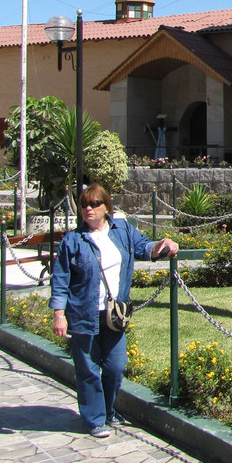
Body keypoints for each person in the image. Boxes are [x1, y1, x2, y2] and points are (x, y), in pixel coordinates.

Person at [49, 183, 179, 437]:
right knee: (87, 369)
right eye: (84, 204)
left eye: (94, 204)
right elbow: (61, 279)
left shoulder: (122, 232)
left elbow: (145, 248)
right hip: (82, 315)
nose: (88, 209)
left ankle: (108, 410)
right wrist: (59, 315)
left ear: (106, 207)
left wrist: (163, 243)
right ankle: (95, 418)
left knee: (116, 366)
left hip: (113, 314)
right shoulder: (73, 240)